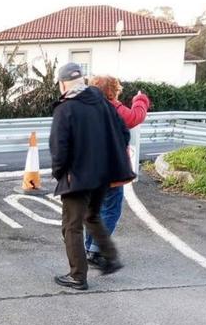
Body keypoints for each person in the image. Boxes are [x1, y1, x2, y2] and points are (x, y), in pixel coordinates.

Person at [50, 63, 136, 291]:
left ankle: (78, 275)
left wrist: (60, 173)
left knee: (72, 226)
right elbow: (124, 132)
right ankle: (110, 257)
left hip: (76, 177)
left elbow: (59, 148)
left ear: (62, 84)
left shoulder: (65, 108)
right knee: (93, 216)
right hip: (102, 175)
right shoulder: (102, 103)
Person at [83, 75, 151, 269]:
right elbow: (136, 117)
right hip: (112, 171)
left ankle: (90, 247)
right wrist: (140, 99)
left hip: (90, 170)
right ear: (112, 92)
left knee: (93, 210)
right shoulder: (115, 109)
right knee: (111, 209)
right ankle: (95, 249)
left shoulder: (86, 108)